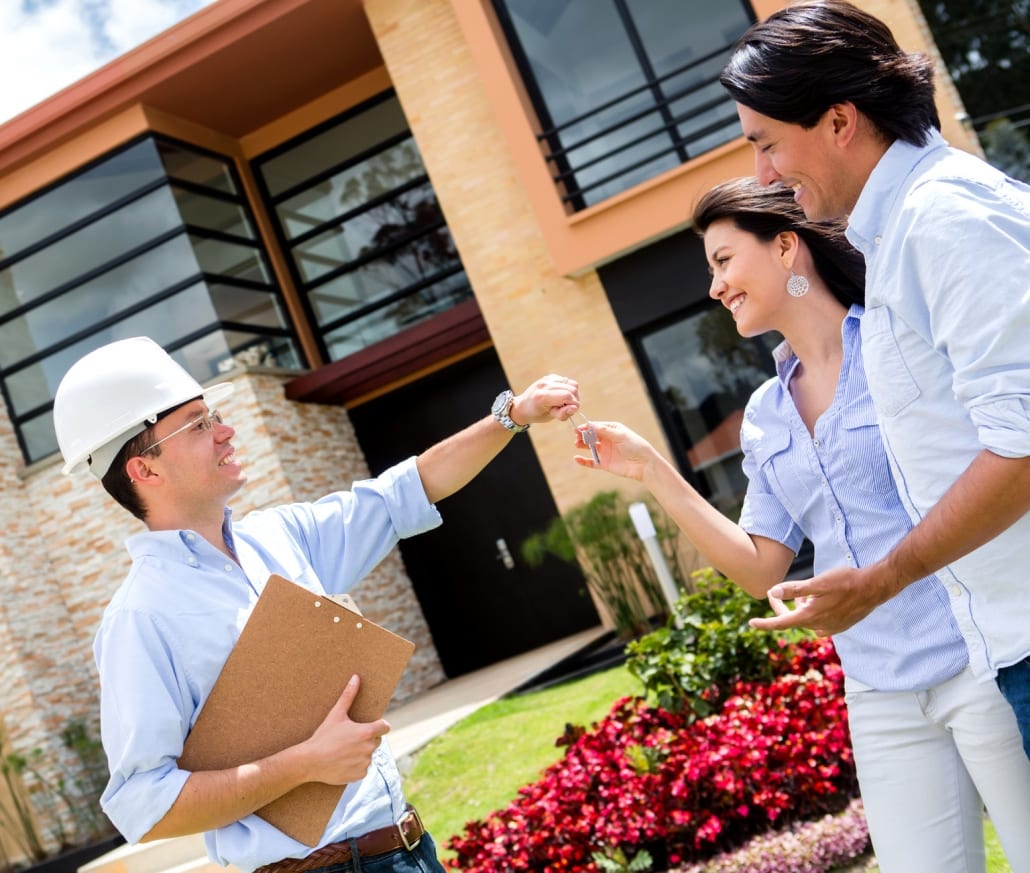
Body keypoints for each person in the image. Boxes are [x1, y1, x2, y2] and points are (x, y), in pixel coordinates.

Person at [573, 178, 1030, 873]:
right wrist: (650, 470)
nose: (715, 287)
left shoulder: (896, 345)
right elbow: (761, 566)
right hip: (879, 689)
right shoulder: (765, 413)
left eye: (724, 261)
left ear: (787, 245)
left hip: (979, 658)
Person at [53, 336, 582, 873]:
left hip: (409, 849)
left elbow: (405, 492)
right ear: (145, 470)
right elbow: (144, 805)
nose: (226, 430)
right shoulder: (140, 619)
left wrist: (514, 415)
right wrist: (303, 765)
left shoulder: (280, 537)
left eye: (213, 415)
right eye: (199, 424)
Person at [717, 0, 1030, 756]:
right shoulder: (896, 236)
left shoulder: (944, 221)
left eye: (766, 144)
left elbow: (1022, 444)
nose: (761, 174)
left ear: (838, 121)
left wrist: (885, 577)